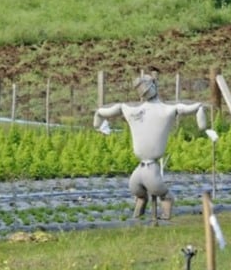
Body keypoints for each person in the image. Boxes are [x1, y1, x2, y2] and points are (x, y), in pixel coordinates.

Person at [93, 73, 218, 221]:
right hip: (140, 166)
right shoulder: (132, 110)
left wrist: (201, 117)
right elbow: (104, 111)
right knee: (136, 188)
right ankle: (138, 214)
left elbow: (192, 107)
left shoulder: (166, 110)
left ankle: (166, 209)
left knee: (158, 189)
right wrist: (98, 122)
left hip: (152, 166)